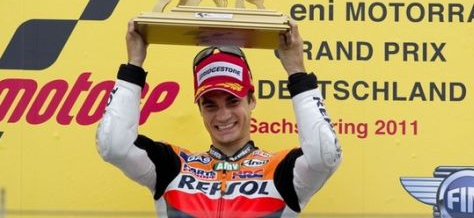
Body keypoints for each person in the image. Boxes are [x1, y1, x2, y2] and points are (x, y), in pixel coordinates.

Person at [96, 19, 342, 217]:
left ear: (251, 100)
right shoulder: (174, 167)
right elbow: (113, 145)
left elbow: (325, 154)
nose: (223, 115)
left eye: (233, 101)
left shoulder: (280, 170)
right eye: (210, 105)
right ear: (200, 110)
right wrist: (134, 66)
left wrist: (297, 72)